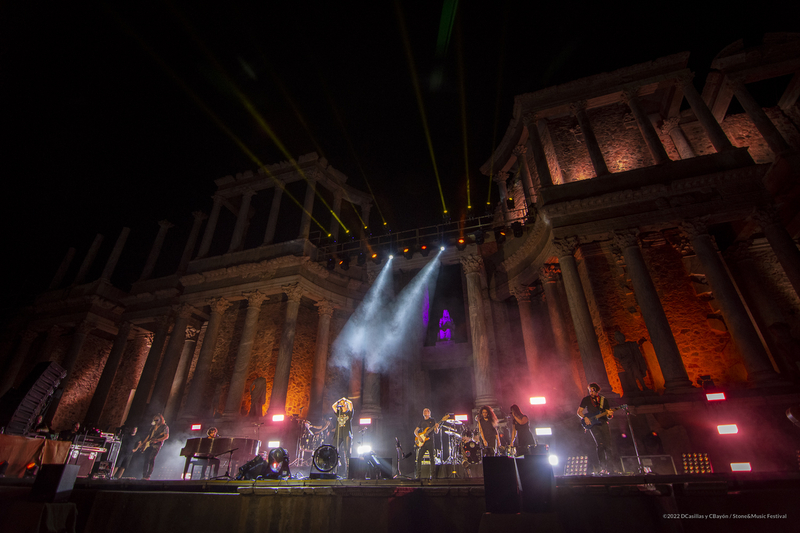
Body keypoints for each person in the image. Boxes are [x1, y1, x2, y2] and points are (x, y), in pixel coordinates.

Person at [577, 383, 618, 475]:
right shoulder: (586, 399)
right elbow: (579, 412)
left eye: (593, 390)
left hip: (603, 422)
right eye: (590, 390)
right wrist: (585, 417)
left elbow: (609, 415)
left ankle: (611, 469)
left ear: (597, 390)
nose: (591, 392)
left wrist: (610, 414)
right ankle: (603, 468)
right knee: (600, 444)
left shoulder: (603, 400)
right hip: (593, 424)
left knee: (608, 445)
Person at [134, 414, 169, 480]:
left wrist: (157, 440)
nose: (156, 421)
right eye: (155, 420)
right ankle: (144, 475)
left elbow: (166, 436)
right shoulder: (153, 427)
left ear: (161, 420)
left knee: (151, 459)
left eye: (157, 420)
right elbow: (149, 436)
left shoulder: (164, 427)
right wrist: (144, 443)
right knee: (146, 459)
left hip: (156, 445)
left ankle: (148, 475)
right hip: (149, 444)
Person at [414, 408, 440, 480]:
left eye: (427, 411)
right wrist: (418, 437)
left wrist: (437, 428)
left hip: (430, 442)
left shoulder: (432, 420)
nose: (425, 411)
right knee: (419, 458)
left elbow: (436, 432)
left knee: (432, 458)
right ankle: (418, 475)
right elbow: (415, 431)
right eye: (424, 411)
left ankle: (433, 475)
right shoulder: (421, 421)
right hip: (423, 442)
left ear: (429, 413)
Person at [332, 397, 353, 477]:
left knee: (347, 451)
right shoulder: (339, 413)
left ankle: (348, 471)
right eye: (341, 403)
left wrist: (345, 400)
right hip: (338, 434)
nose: (342, 404)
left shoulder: (349, 413)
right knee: (334, 449)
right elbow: (333, 406)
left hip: (346, 433)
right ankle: (334, 469)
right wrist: (339, 401)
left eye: (343, 403)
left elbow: (351, 404)